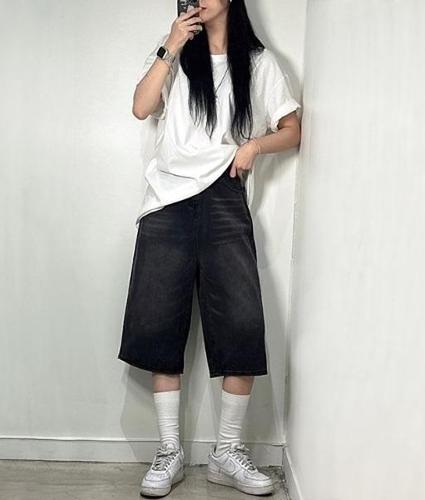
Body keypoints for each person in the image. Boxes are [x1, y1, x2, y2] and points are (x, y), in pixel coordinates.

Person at [118, 0, 301, 496]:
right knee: (159, 322)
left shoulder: (258, 63)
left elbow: (292, 129)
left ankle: (227, 452)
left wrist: (254, 146)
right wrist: (171, 44)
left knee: (241, 322)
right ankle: (169, 450)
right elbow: (141, 107)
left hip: (224, 196)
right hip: (167, 202)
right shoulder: (174, 53)